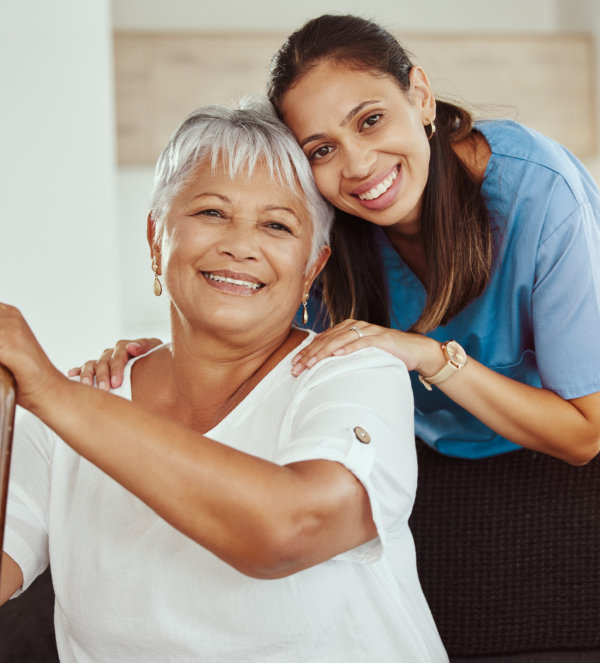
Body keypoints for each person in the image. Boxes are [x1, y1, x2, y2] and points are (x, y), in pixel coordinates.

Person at [0, 100, 447, 662]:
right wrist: (54, 400)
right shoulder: (69, 411)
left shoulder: (356, 371)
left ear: (312, 267)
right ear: (156, 237)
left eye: (277, 225)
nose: (241, 244)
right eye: (212, 212)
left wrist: (52, 394)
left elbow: (288, 531)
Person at [80, 14, 600, 464]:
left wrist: (428, 356)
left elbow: (585, 432)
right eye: (321, 150)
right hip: (405, 453)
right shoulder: (322, 223)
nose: (357, 165)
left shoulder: (541, 193)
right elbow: (261, 347)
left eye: (371, 120)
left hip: (555, 464)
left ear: (420, 96)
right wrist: (155, 371)